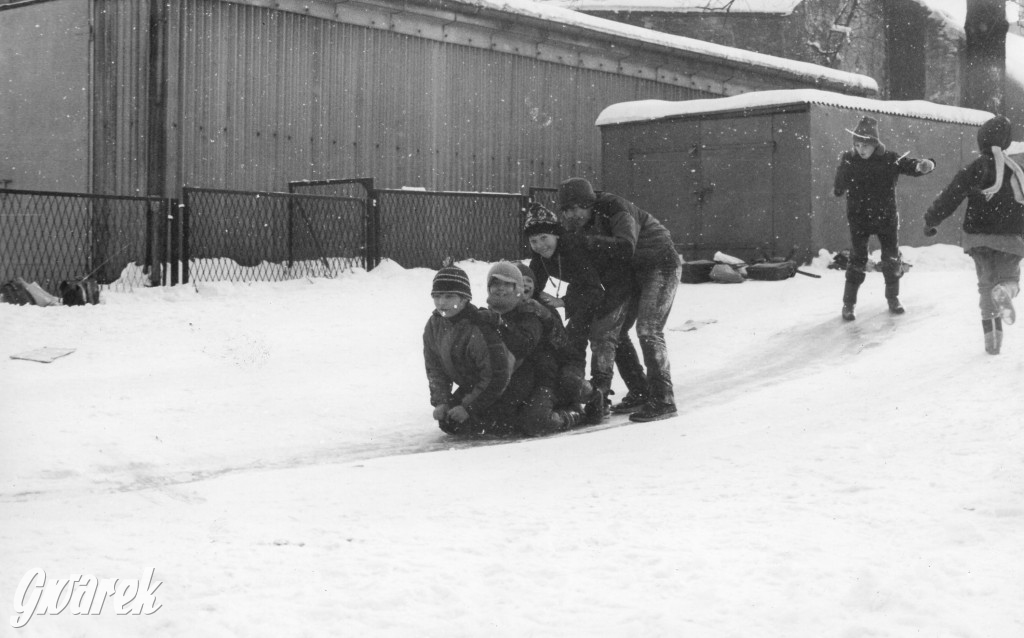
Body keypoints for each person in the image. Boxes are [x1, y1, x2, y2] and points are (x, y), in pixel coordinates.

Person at [555, 177, 682, 423]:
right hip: (631, 272)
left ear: (589, 203)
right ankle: (640, 390)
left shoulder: (614, 207)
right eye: (566, 210)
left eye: (576, 207)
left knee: (649, 329)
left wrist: (588, 241)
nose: (572, 215)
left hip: (661, 262)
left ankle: (664, 399)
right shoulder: (581, 226)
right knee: (617, 331)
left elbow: (625, 246)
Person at [523, 205, 635, 424]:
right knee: (590, 336)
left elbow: (593, 289)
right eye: (534, 241)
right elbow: (533, 286)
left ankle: (599, 394)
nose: (540, 245)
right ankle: (638, 390)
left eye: (544, 238)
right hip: (587, 289)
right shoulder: (540, 257)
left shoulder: (573, 248)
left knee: (602, 336)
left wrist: (563, 302)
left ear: (556, 234)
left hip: (617, 284)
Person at [924, 114, 1024, 355]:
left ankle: (992, 343)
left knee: (986, 286)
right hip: (1010, 239)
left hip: (977, 238)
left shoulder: (973, 168)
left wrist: (932, 219)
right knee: (1009, 280)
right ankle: (1006, 290)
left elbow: (951, 196)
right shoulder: (1016, 171)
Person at [833, 115, 936, 320]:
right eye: (857, 145)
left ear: (875, 144)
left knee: (891, 259)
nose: (861, 149)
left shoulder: (889, 159)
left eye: (865, 145)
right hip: (859, 218)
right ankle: (848, 304)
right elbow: (839, 187)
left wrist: (923, 165)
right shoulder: (849, 160)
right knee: (857, 259)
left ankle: (893, 298)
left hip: (886, 218)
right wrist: (842, 175)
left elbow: (909, 165)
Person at [477, 261, 584, 435]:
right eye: (496, 284)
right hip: (521, 377)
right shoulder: (492, 312)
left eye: (528, 281)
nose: (501, 289)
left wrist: (544, 316)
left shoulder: (535, 312)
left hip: (549, 373)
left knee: (536, 419)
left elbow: (550, 345)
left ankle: (578, 406)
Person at [422, 265, 513, 435]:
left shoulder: (478, 327)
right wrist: (442, 401)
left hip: (507, 384)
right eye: (437, 296)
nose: (441, 302)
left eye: (449, 296)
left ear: (464, 299)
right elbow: (435, 368)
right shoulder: (434, 325)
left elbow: (497, 375)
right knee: (450, 423)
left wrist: (469, 407)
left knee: (500, 425)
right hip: (474, 384)